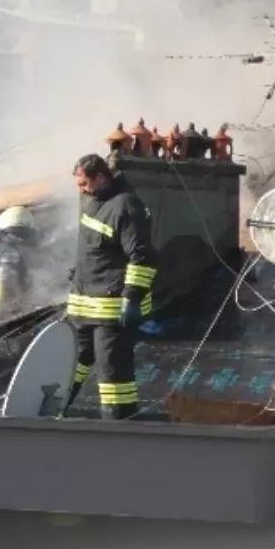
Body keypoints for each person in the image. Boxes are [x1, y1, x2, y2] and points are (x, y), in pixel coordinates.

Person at [65, 153, 158, 420]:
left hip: (111, 312)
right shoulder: (92, 202)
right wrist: (80, 269)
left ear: (101, 177)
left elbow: (143, 257)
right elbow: (95, 246)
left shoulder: (126, 206)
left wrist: (132, 298)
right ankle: (54, 412)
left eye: (84, 184)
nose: (81, 191)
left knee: (112, 377)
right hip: (82, 307)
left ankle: (120, 426)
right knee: (69, 364)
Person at [0, 205, 37, 308]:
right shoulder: (25, 215)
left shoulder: (6, 218)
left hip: (7, 231)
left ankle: (1, 305)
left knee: (6, 269)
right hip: (24, 230)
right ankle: (4, 305)